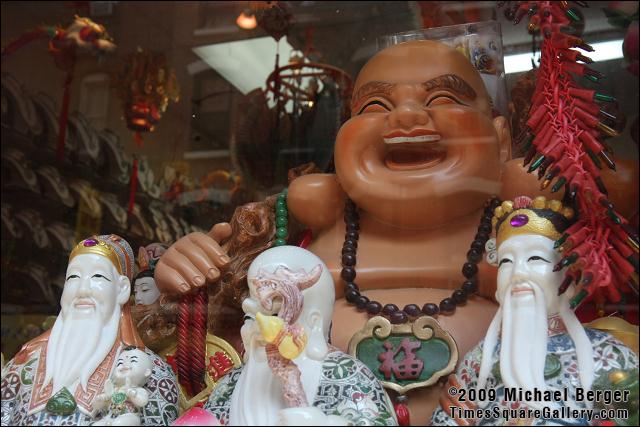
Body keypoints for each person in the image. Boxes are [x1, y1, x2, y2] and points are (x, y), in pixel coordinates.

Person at [154, 40, 638, 420]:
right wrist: (188, 274)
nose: (406, 116)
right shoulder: (304, 229)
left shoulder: (529, 229)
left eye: (443, 98)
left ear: (499, 138)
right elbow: (222, 315)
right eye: (375, 107)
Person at [431, 196, 639, 426]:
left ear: (572, 274)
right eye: (506, 262)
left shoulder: (607, 356)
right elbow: (447, 420)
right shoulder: (483, 359)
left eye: (535, 258)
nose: (518, 272)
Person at [202, 246, 397, 426]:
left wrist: (323, 423)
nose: (259, 326)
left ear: (314, 322)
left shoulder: (345, 375)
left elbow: (377, 421)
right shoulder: (232, 383)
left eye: (273, 316)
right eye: (250, 317)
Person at [0, 235, 179, 426]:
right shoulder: (22, 366)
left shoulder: (150, 372)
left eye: (98, 277)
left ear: (122, 289)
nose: (83, 289)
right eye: (73, 277)